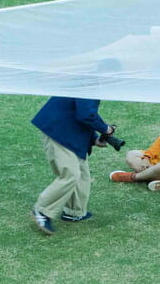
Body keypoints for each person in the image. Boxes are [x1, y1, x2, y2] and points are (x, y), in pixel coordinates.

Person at [31, 95, 116, 236]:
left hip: (67, 129)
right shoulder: (90, 81)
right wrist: (105, 129)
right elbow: (85, 114)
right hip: (58, 130)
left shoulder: (91, 79)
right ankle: (42, 210)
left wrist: (94, 138)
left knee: (82, 173)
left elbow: (80, 113)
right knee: (70, 174)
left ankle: (74, 211)